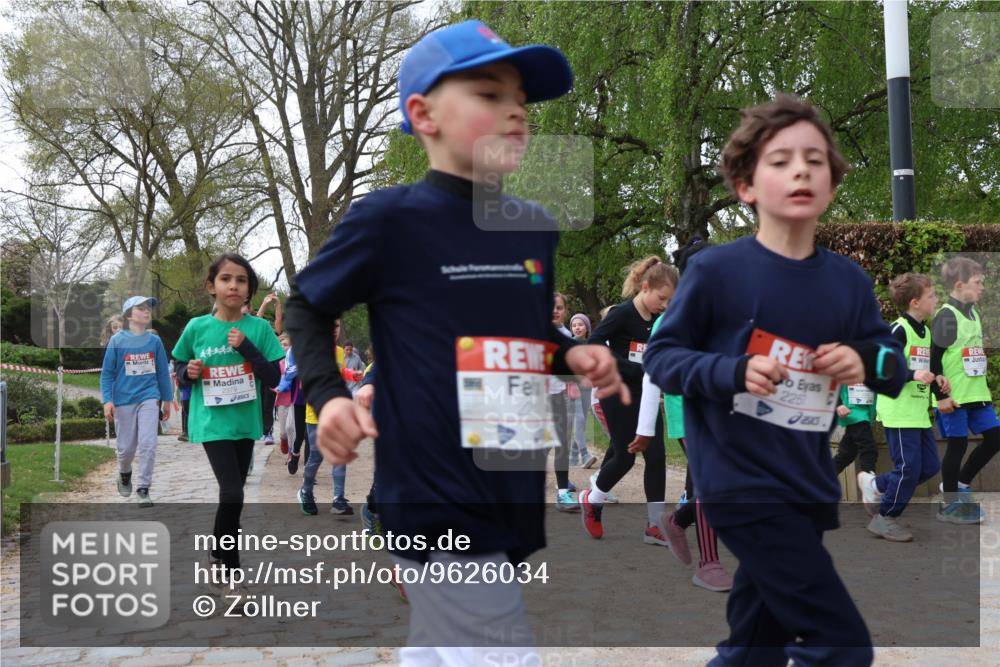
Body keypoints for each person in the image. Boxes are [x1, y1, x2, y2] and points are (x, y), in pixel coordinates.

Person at [285, 19, 626, 664]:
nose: (516, 111)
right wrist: (329, 396)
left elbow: (523, 340)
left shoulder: (533, 227)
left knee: (442, 649)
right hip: (434, 486)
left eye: (520, 99)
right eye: (489, 94)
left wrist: (570, 355)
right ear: (424, 114)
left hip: (511, 477)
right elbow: (305, 305)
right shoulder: (389, 219)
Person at [643, 94, 906, 667]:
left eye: (814, 160)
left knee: (754, 647)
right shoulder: (717, 271)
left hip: (805, 484)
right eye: (781, 159)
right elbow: (663, 358)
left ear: (832, 184)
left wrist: (863, 359)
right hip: (739, 483)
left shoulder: (848, 283)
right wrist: (733, 371)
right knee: (842, 647)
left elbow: (895, 366)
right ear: (746, 185)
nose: (801, 170)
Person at [172, 253, 284, 593]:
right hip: (211, 422)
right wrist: (186, 373)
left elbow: (273, 378)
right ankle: (229, 569)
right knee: (232, 491)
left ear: (250, 290)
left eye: (241, 280)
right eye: (225, 279)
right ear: (212, 286)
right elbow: (179, 367)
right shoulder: (197, 328)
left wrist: (247, 347)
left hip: (244, 422)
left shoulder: (259, 328)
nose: (233, 285)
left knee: (234, 498)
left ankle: (219, 554)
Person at [579, 256, 675, 544]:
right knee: (625, 457)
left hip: (647, 395)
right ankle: (592, 500)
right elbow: (594, 342)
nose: (665, 306)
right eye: (662, 298)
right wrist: (633, 368)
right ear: (645, 287)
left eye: (670, 301)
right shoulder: (621, 314)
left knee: (657, 456)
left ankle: (654, 525)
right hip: (617, 392)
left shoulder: (660, 320)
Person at [855, 273, 945, 541]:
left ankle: (874, 484)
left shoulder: (925, 331)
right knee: (907, 469)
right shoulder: (898, 330)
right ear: (915, 302)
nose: (936, 299)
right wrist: (911, 374)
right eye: (932, 296)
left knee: (928, 467)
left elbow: (923, 368)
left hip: (918, 413)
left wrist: (936, 378)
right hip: (898, 411)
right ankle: (885, 517)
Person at [932, 256, 998, 523]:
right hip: (955, 396)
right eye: (978, 282)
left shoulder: (973, 312)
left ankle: (960, 484)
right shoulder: (947, 316)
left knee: (995, 438)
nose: (983, 287)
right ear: (959, 285)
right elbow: (933, 360)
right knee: (957, 446)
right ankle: (949, 505)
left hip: (977, 393)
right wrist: (941, 397)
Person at [100, 296, 173, 507]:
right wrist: (107, 400)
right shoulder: (117, 340)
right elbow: (107, 374)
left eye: (148, 308)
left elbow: (162, 372)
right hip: (123, 400)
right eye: (141, 308)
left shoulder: (154, 341)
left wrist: (166, 399)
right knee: (125, 449)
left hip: (149, 397)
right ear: (129, 314)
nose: (147, 311)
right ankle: (124, 473)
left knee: (149, 444)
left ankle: (143, 488)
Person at [549, 292, 579, 511]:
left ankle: (562, 492)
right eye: (551, 307)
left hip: (561, 395)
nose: (555, 311)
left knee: (562, 444)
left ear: (565, 311)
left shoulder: (568, 335)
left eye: (559, 307)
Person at [568, 313, 598, 468]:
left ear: (587, 327)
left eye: (580, 324)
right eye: (574, 325)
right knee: (579, 419)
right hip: (573, 387)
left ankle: (572, 456)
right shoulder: (569, 344)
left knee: (582, 421)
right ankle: (585, 454)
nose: (577, 327)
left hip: (588, 387)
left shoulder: (592, 344)